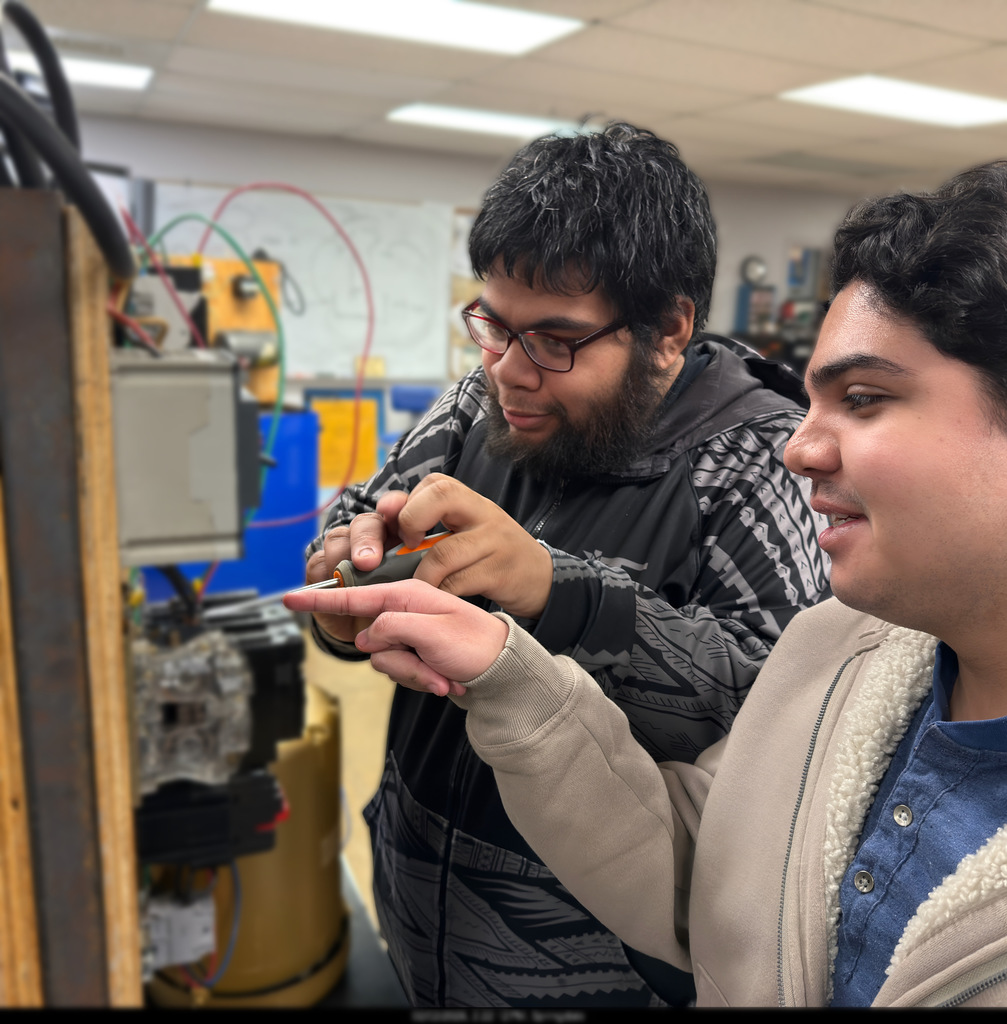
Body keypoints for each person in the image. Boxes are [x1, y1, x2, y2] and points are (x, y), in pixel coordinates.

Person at [287, 161, 1007, 1007]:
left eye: (555, 340)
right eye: (493, 326)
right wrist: (349, 586)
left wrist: (562, 596)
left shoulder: (749, 468)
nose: (510, 371)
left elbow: (766, 720)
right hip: (427, 914)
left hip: (598, 970)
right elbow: (358, 524)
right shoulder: (474, 409)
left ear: (668, 329)